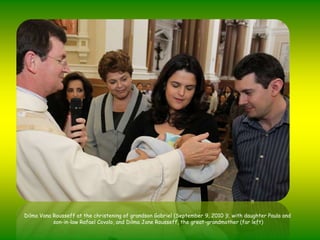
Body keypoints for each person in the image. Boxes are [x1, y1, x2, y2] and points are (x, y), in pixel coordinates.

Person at [16, 19, 222, 201]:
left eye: (189, 87)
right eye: (61, 59)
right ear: (32, 61)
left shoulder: (31, 114)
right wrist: (179, 158)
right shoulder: (32, 127)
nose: (67, 68)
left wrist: (68, 143)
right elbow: (101, 181)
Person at [112, 54, 225, 201]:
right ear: (165, 84)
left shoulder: (205, 124)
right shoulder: (145, 119)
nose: (181, 93)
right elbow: (117, 162)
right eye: (176, 85)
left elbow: (207, 176)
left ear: (196, 91)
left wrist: (150, 169)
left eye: (189, 88)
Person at [231, 52, 289, 201]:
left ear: (275, 87)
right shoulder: (239, 125)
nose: (241, 102)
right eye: (239, 94)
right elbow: (242, 170)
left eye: (248, 93)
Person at [84, 50, 150, 165]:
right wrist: (99, 170)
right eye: (113, 82)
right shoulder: (96, 103)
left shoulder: (148, 105)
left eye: (124, 79)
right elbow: (90, 142)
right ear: (105, 82)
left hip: (135, 174)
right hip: (101, 174)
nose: (119, 86)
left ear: (131, 76)